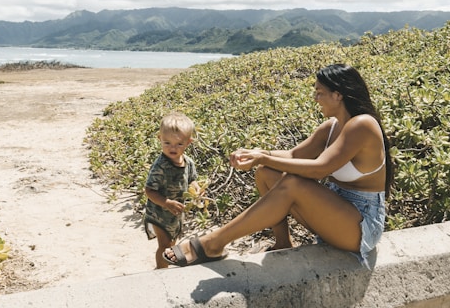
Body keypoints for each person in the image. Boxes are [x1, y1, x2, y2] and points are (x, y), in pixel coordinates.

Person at [163, 63, 394, 269]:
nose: (316, 98)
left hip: (362, 226)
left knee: (293, 183)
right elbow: (294, 154)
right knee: (267, 173)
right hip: (337, 213)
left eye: (319, 93)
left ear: (338, 95)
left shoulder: (362, 125)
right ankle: (282, 243)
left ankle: (213, 243)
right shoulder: (331, 126)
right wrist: (258, 154)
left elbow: (319, 169)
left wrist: (264, 157)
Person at [144, 111, 203, 269]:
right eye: (167, 143)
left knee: (172, 243)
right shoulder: (160, 166)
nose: (172, 148)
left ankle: (166, 266)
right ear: (159, 139)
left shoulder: (188, 162)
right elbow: (149, 191)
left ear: (188, 143)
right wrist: (166, 203)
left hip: (176, 214)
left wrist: (196, 189)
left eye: (179, 144)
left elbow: (192, 180)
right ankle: (161, 270)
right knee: (164, 246)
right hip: (159, 213)